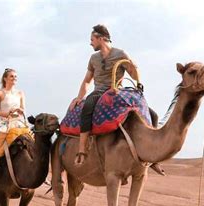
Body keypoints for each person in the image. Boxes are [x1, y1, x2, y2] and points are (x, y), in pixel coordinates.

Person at [70, 24, 165, 175]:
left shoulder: (120, 54)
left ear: (101, 39)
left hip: (119, 92)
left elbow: (134, 75)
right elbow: (87, 80)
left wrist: (134, 67)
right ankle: (82, 150)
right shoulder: (93, 58)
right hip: (99, 92)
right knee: (87, 107)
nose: (90, 43)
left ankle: (153, 158)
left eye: (92, 39)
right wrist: (79, 97)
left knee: (152, 115)